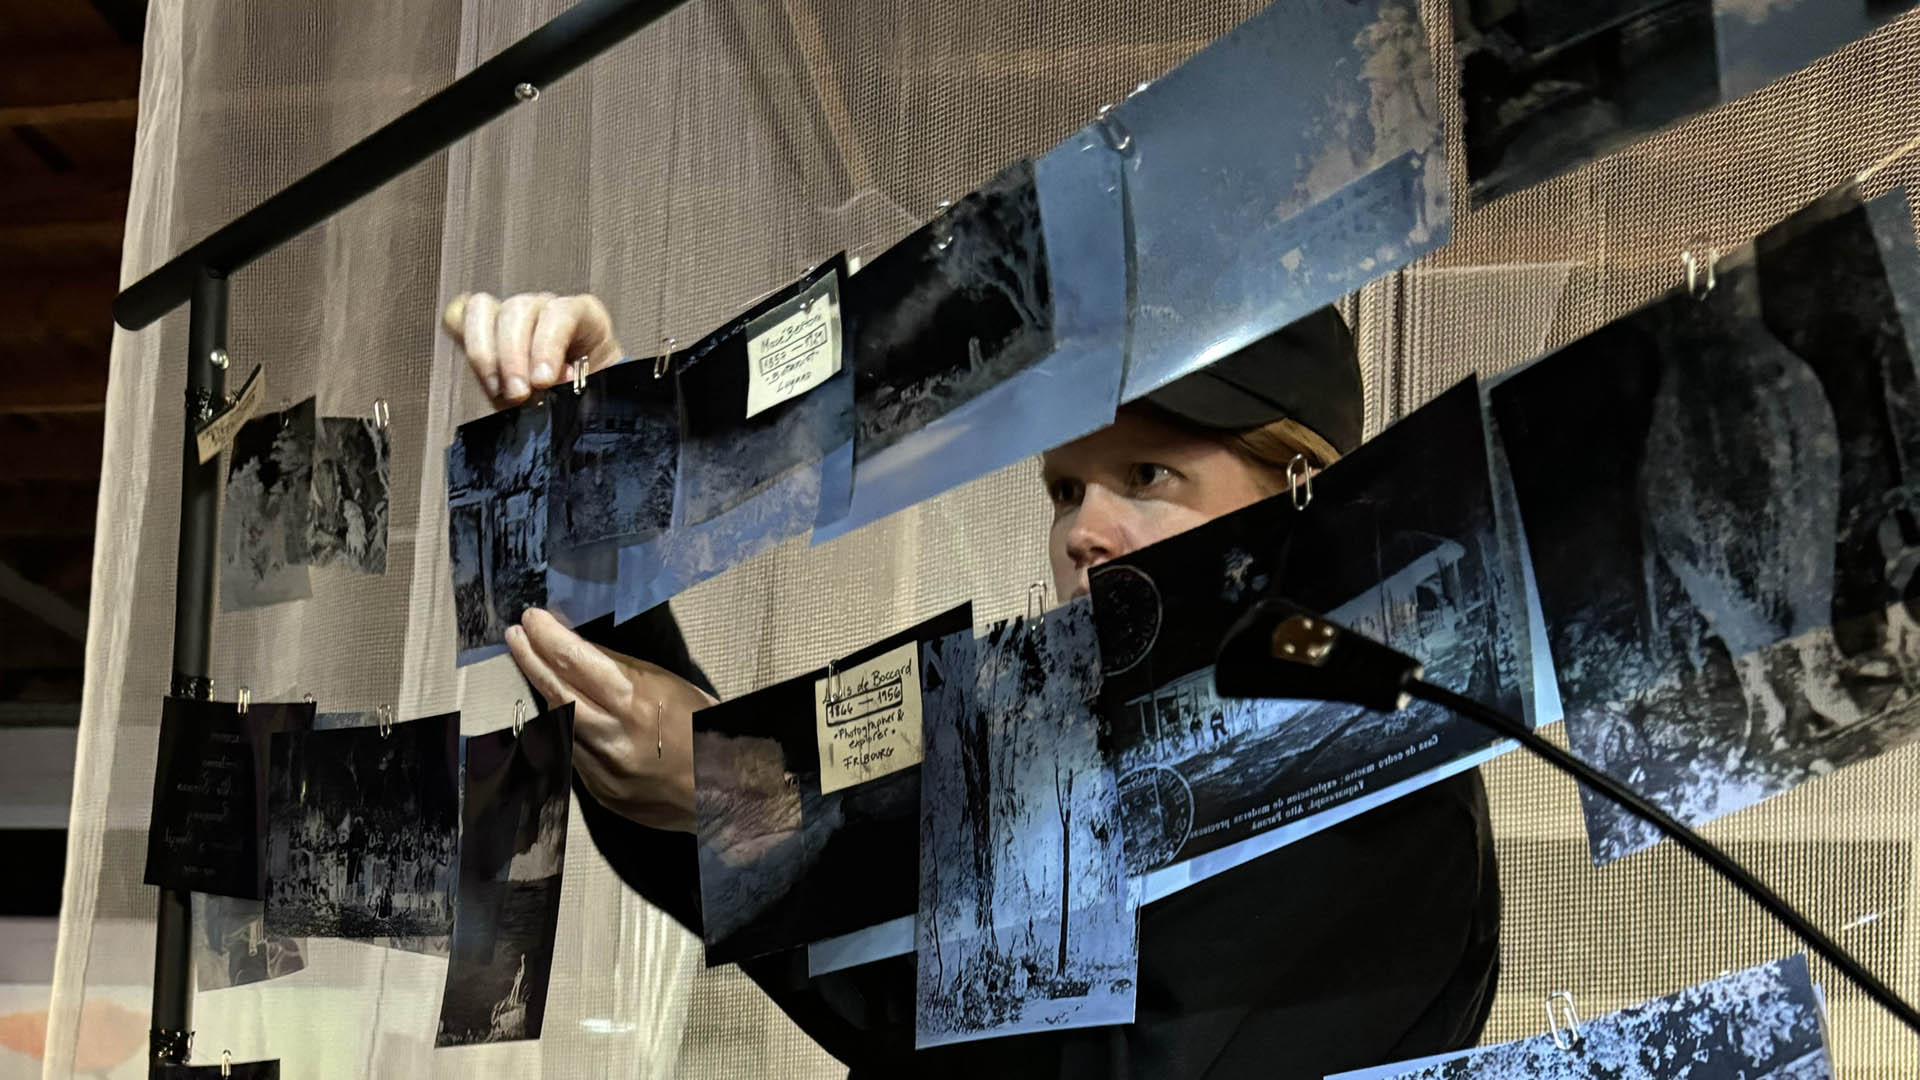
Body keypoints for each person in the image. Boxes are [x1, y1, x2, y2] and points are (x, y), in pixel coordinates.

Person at [441, 291, 1500, 1079]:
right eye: (1066, 487)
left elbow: (1067, 1058)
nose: (1083, 530)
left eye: (1148, 476)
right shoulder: (1058, 766)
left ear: (1304, 491)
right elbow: (735, 877)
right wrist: (588, 472)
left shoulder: (1378, 783)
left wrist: (750, 792)